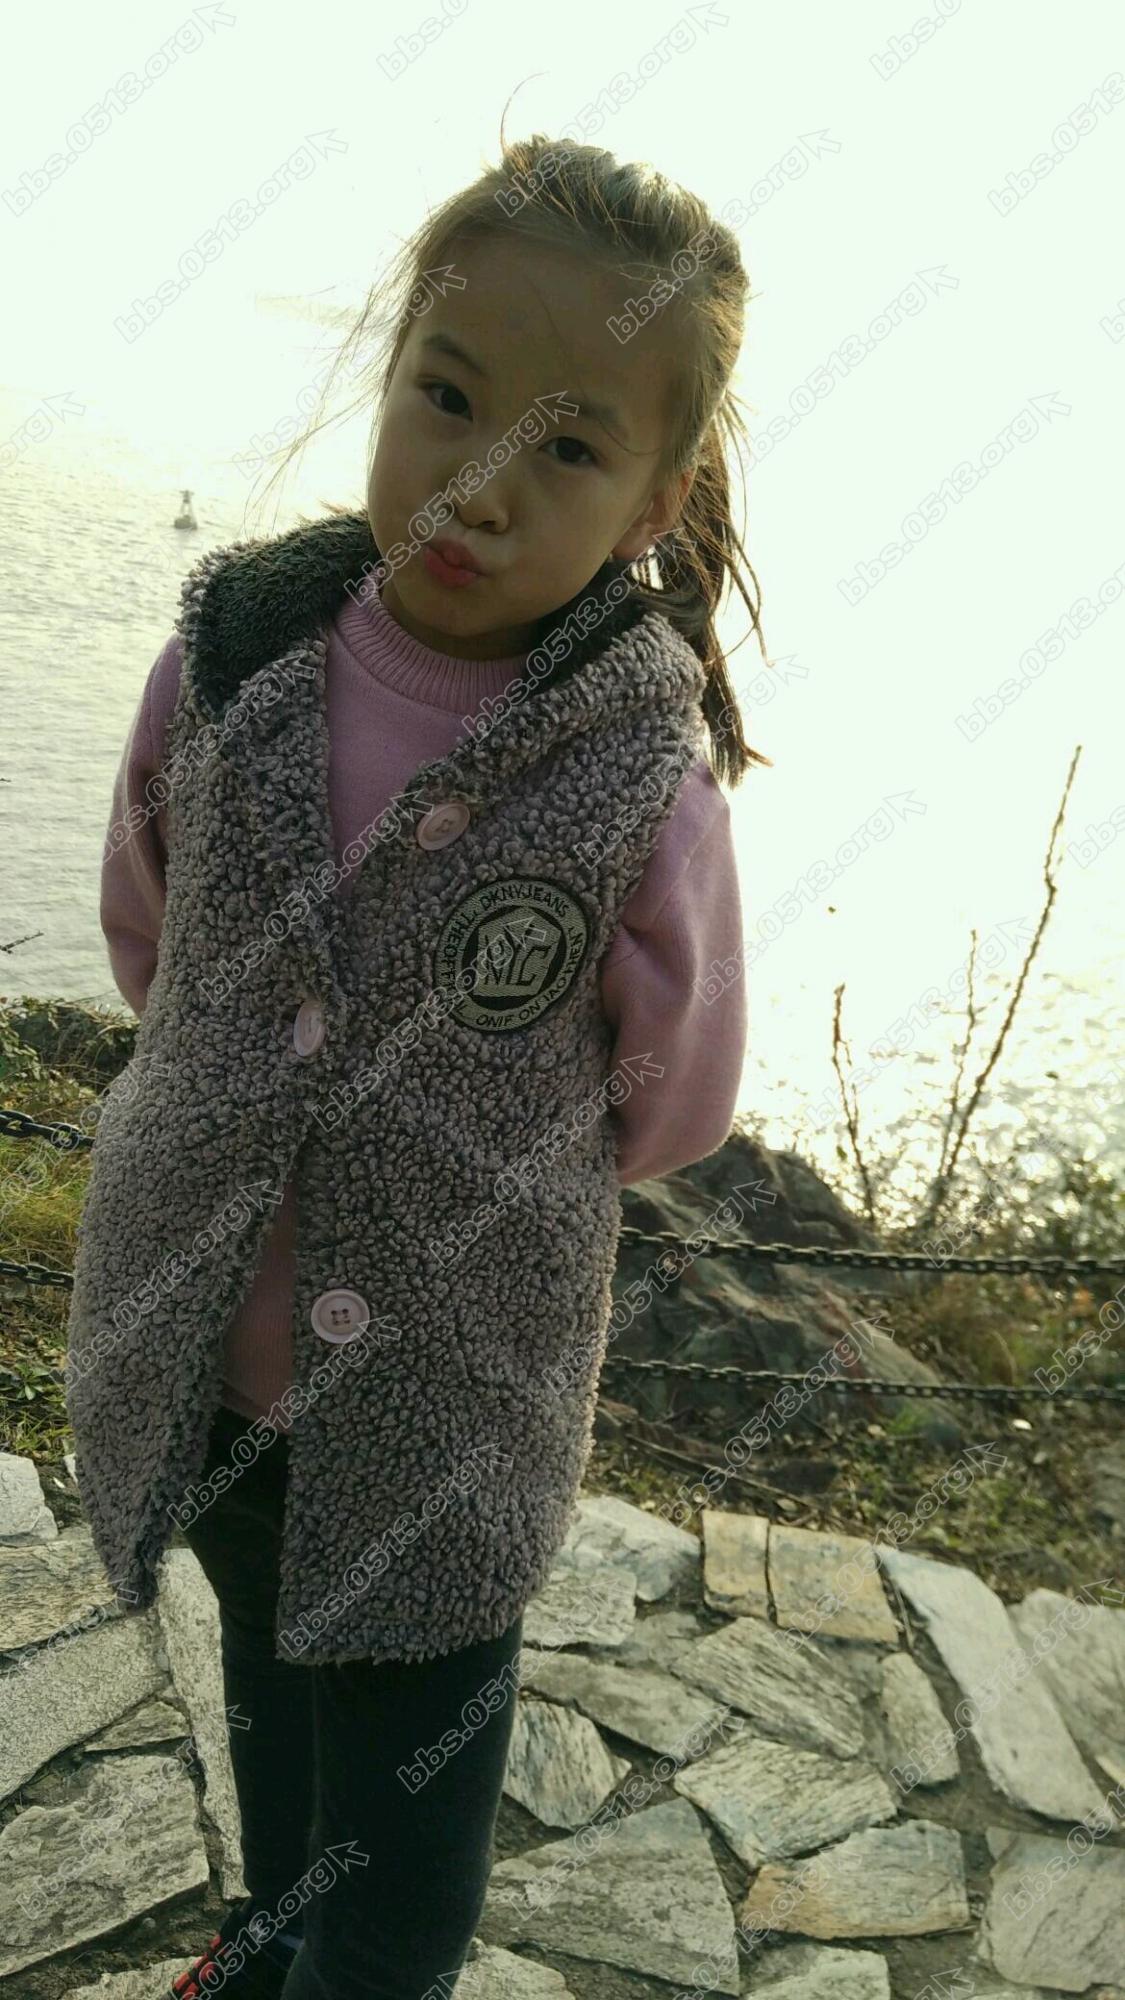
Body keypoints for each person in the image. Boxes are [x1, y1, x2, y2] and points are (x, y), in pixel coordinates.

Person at [74, 130, 768, 1999]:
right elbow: (156, 944)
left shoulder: (638, 784)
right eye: (445, 398)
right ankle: (261, 1940)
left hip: (445, 1416)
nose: (476, 481)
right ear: (386, 376)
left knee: (401, 1872)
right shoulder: (227, 664)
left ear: (652, 502)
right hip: (200, 1359)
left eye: (565, 448)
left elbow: (669, 1103)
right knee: (267, 1698)